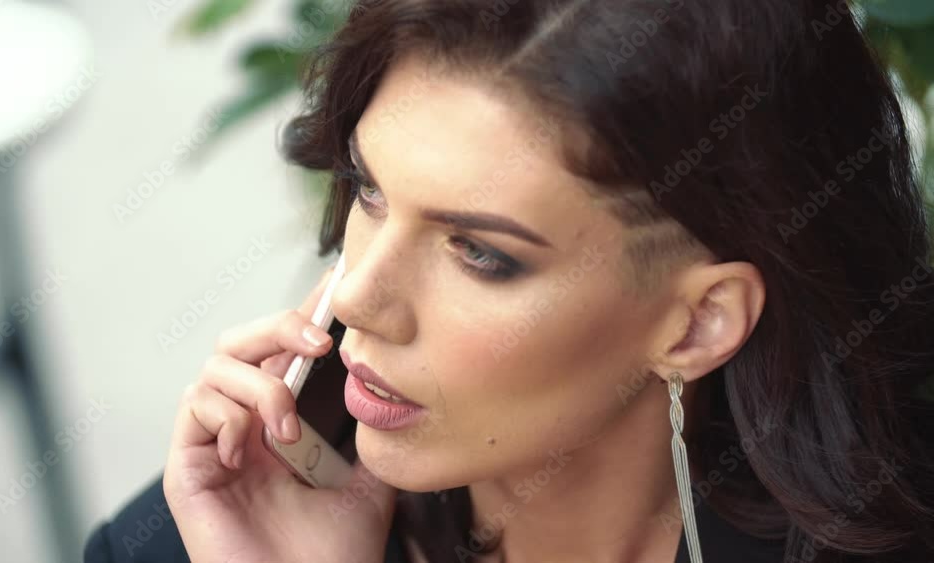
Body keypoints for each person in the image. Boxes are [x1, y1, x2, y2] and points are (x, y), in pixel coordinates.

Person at [84, 0, 934, 561]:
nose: (355, 298)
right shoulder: (196, 536)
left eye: (479, 252)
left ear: (698, 324)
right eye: (370, 190)